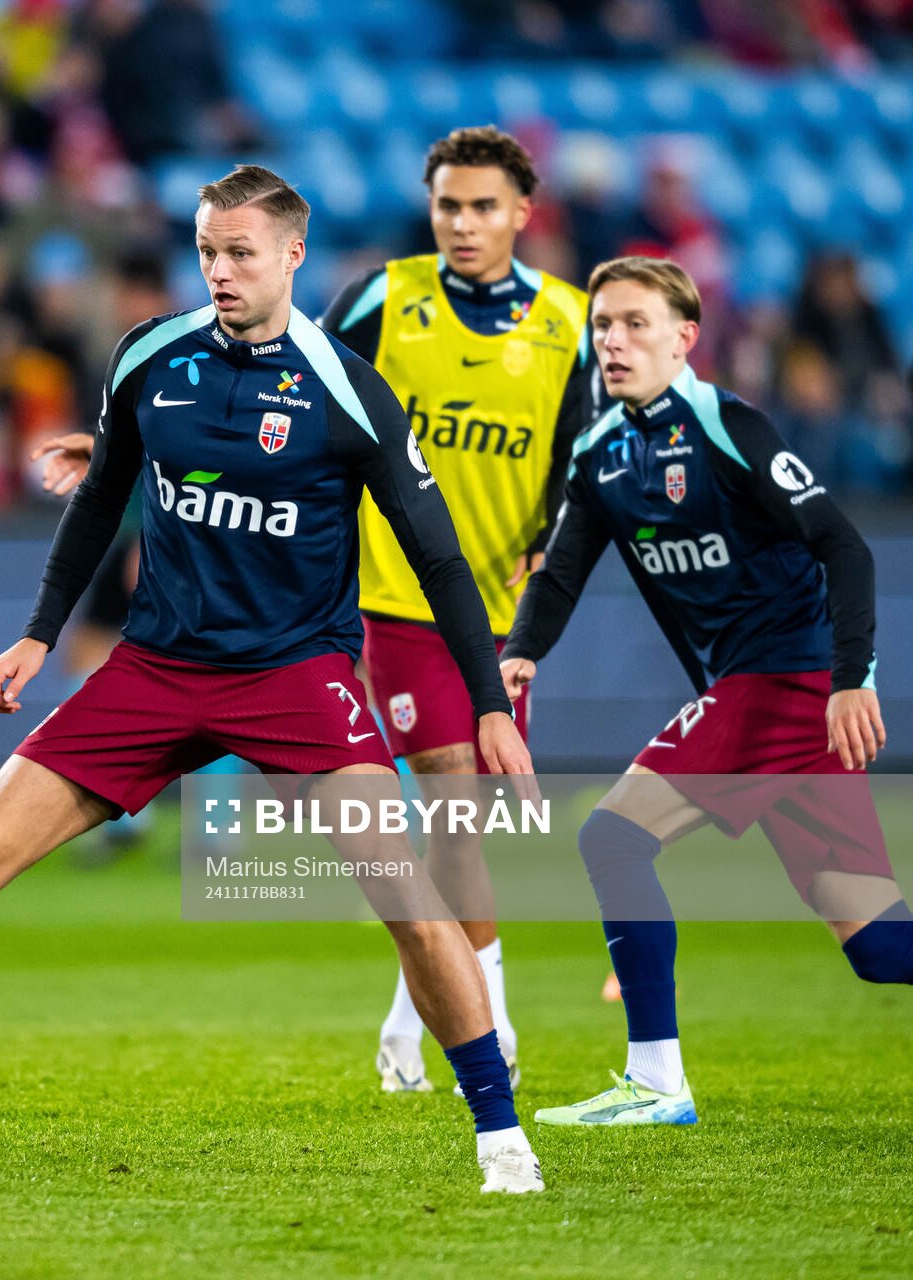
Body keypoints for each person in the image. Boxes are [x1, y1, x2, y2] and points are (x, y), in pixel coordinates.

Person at [0, 164, 548, 1195]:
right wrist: (38, 635)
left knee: (405, 893)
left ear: (291, 255)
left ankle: (500, 1137)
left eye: (240, 253)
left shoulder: (346, 389)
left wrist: (487, 704)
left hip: (294, 677)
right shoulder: (149, 356)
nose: (219, 271)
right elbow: (100, 499)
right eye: (207, 251)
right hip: (153, 671)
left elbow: (438, 557)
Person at [500, 257, 912, 1127]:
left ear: (684, 337)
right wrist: (522, 651)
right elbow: (560, 571)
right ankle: (654, 1076)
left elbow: (843, 546)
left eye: (635, 323)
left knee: (612, 837)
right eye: (602, 325)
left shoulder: (727, 424)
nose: (613, 340)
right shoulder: (599, 453)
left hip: (786, 682)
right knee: (878, 947)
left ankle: (655, 1082)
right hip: (765, 695)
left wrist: (849, 679)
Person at [319, 126, 596, 1095]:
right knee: (451, 798)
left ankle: (406, 1022)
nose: (463, 223)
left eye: (482, 206)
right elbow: (301, 395)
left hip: (500, 615)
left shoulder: (569, 321)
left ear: (522, 212)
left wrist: (552, 538)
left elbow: (578, 458)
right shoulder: (381, 299)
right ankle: (494, 1024)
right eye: (447, 205)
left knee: (457, 827)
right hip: (394, 597)